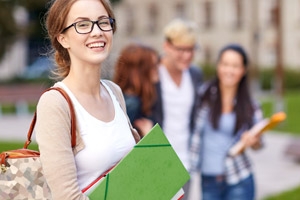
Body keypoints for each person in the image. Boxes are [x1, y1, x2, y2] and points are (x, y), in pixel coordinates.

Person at [35, 0, 139, 199]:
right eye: (82, 24)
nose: (97, 31)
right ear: (63, 38)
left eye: (103, 22)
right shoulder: (55, 104)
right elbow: (67, 196)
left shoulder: (114, 92)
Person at [190, 44, 264, 200]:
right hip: (208, 180)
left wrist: (253, 141)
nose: (229, 70)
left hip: (239, 179)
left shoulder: (250, 105)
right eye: (225, 64)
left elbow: (259, 143)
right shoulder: (203, 96)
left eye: (235, 66)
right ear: (218, 66)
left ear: (243, 70)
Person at [152, 18, 203, 199]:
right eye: (181, 49)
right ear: (167, 46)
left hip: (184, 163)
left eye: (191, 49)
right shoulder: (153, 73)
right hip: (156, 162)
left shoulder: (195, 75)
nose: (187, 55)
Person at [113, 43, 159, 137]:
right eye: (153, 66)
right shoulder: (131, 103)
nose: (158, 69)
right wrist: (150, 136)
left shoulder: (131, 98)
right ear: (139, 71)